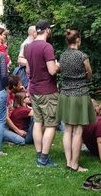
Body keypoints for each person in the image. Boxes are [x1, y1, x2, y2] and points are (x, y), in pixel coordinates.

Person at [56, 29, 95, 172]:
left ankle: (68, 162)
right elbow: (89, 74)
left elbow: (58, 70)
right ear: (77, 40)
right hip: (80, 95)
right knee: (78, 131)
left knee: (67, 130)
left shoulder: (63, 56)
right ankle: (74, 164)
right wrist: (86, 75)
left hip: (65, 95)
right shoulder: (83, 56)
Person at [25, 19, 60, 167]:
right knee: (51, 124)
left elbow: (27, 70)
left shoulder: (28, 47)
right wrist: (58, 65)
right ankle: (44, 159)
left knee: (38, 122)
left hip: (33, 90)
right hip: (47, 91)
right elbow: (52, 70)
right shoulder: (47, 47)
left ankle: (39, 154)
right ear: (47, 30)